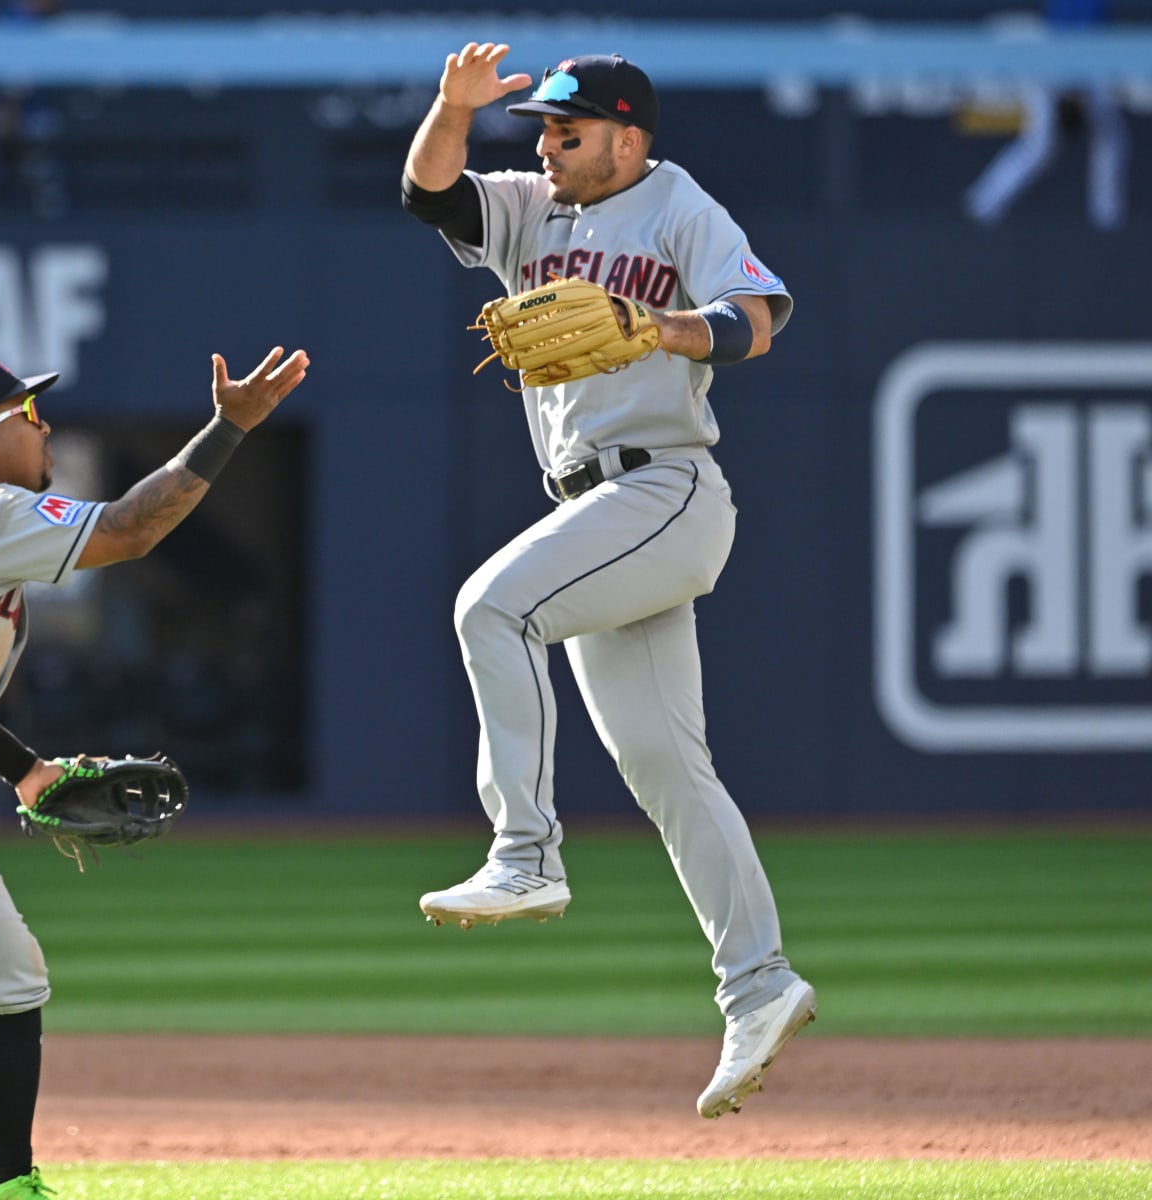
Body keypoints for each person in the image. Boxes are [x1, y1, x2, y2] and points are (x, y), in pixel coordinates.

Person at [401, 42, 815, 1119]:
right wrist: (450, 109)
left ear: (630, 137)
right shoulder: (529, 207)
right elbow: (429, 193)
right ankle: (761, 986)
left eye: (568, 130)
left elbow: (759, 320)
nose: (546, 145)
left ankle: (525, 850)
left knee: (493, 606)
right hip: (590, 507)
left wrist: (658, 326)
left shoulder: (681, 206)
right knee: (670, 771)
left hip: (666, 488)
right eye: (541, 128)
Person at [0, 345, 308, 1198]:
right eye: (26, 413)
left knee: (10, 976)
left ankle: (7, 1181)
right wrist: (229, 429)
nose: (44, 425)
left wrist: (26, 769)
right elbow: (130, 528)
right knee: (8, 976)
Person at [964, 0, 1129, 230]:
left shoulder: (1091, 88)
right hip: (1054, 59)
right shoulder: (1053, 82)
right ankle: (984, 201)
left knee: (1110, 134)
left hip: (1080, 55)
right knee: (1041, 145)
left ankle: (1106, 210)